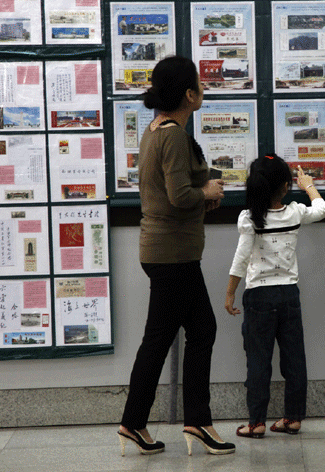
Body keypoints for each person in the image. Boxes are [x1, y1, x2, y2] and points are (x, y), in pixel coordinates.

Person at [118, 55, 234, 457]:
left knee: (193, 332)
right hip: (173, 253)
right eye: (199, 84)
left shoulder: (156, 129)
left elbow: (169, 194)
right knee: (175, 336)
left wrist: (202, 198)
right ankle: (187, 422)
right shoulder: (171, 135)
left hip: (167, 250)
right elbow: (179, 195)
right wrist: (208, 192)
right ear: (188, 94)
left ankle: (143, 422)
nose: (203, 89)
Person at [224, 155, 325, 438]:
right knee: (294, 360)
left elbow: (240, 260)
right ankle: (293, 418)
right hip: (289, 295)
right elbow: (321, 209)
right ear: (285, 186)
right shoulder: (294, 213)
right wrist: (308, 185)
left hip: (258, 297)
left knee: (258, 361)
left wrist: (230, 293)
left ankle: (256, 422)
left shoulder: (249, 219)